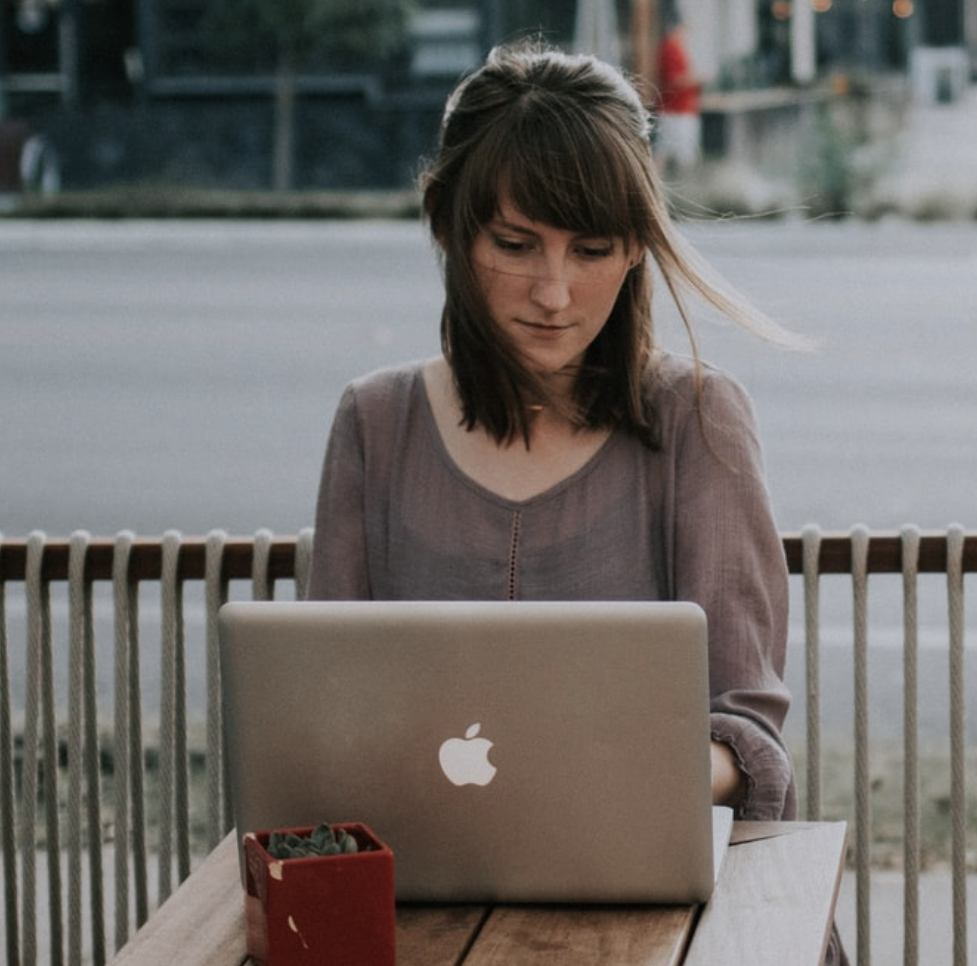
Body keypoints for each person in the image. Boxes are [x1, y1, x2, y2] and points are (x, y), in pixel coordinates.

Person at [306, 42, 808, 824]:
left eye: (592, 249)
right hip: (427, 887)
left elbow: (746, 735)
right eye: (514, 244)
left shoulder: (698, 416)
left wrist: (604, 774)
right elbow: (327, 715)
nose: (553, 291)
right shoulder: (374, 422)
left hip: (653, 903)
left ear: (637, 245)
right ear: (446, 224)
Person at [654, 20, 704, 176]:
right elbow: (675, 80)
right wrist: (698, 79)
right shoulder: (670, 48)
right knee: (676, 150)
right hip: (675, 109)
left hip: (680, 108)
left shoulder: (676, 48)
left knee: (667, 149)